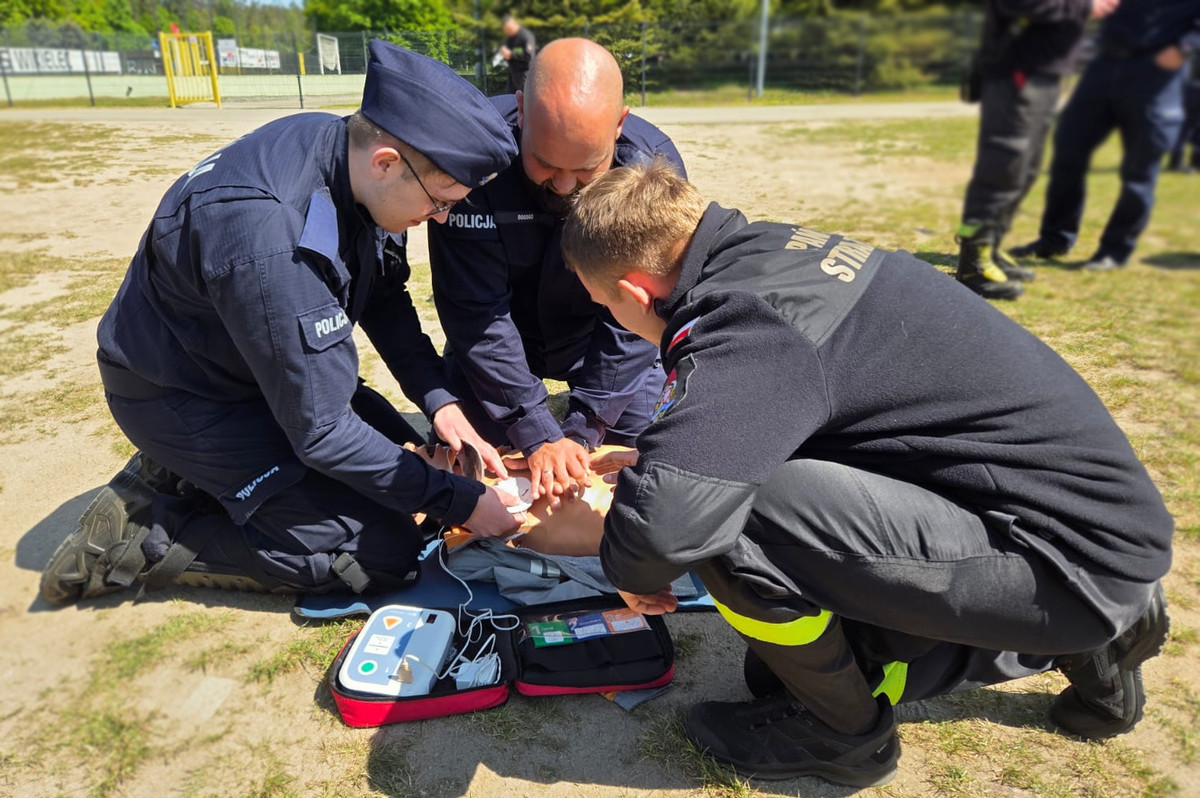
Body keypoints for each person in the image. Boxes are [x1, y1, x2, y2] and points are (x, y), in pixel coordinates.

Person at [560, 160, 1174, 787]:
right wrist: (670, 459)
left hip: (1066, 565)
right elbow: (817, 400)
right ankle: (1103, 639)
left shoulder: (747, 318)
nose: (615, 318)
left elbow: (666, 528)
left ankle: (841, 735)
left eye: (607, 305)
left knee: (729, 524)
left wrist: (630, 568)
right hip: (1089, 526)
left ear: (635, 292)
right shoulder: (772, 253)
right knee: (769, 663)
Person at [39, 41, 527, 606]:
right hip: (187, 398)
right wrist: (461, 503)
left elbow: (384, 297)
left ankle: (209, 476)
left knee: (407, 470)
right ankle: (145, 536)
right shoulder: (271, 236)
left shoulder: (349, 156)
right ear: (387, 162)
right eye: (440, 201)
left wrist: (442, 404)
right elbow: (322, 432)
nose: (440, 218)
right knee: (378, 552)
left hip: (249, 371)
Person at [426, 38, 686, 506]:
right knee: (477, 467)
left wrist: (584, 426)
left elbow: (639, 311)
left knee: (642, 467)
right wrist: (534, 428)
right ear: (523, 113)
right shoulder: (472, 158)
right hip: (504, 331)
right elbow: (474, 310)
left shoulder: (650, 169)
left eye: (586, 168)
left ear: (619, 124)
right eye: (544, 163)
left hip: (598, 332)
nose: (564, 185)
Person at [1011, 0, 1200, 271]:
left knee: (1139, 170)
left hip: (1156, 73)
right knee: (1067, 151)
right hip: (1105, 64)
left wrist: (1185, 47)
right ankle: (1055, 239)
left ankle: (1114, 250)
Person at [955, 0, 1119, 300]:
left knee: (1025, 170)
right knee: (1003, 168)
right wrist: (1085, 6)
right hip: (1017, 69)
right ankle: (972, 264)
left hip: (1042, 71)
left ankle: (990, 248)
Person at [1165, 51, 1200, 172]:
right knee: (1187, 127)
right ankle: (1177, 161)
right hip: (1195, 89)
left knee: (1189, 127)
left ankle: (1193, 161)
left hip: (1191, 88)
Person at [498, 13, 537, 93]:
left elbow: (529, 56)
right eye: (506, 30)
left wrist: (511, 55)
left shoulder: (525, 36)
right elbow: (509, 54)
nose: (507, 31)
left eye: (508, 29)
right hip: (513, 75)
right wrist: (505, 55)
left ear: (513, 24)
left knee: (522, 97)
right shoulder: (511, 38)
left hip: (524, 74)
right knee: (510, 98)